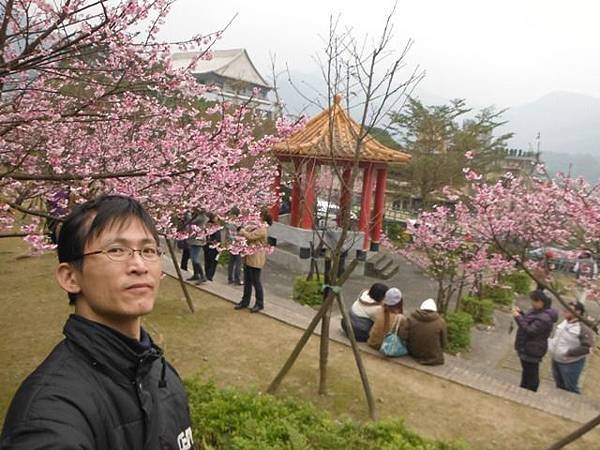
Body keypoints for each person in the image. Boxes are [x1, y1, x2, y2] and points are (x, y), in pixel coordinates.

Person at [0, 195, 194, 449]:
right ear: (70, 277)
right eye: (116, 250)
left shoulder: (161, 373)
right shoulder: (49, 415)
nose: (138, 265)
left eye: (148, 251)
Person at [513, 289, 558, 392]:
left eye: (533, 301)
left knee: (531, 372)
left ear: (540, 302)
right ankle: (523, 390)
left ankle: (531, 393)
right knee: (526, 371)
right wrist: (521, 314)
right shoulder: (537, 311)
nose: (531, 303)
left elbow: (531, 330)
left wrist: (518, 318)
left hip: (533, 348)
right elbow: (529, 321)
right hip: (526, 346)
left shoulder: (545, 318)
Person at [548, 301, 594, 394]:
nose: (565, 311)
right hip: (556, 360)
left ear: (578, 312)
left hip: (571, 363)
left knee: (571, 388)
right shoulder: (564, 322)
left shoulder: (583, 328)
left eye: (569, 309)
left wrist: (568, 353)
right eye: (565, 308)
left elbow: (586, 347)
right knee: (559, 386)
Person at [234, 210, 272, 313]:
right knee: (247, 281)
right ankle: (245, 301)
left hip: (256, 258)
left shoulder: (262, 229)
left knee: (256, 281)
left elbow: (250, 236)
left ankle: (259, 303)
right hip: (248, 256)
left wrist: (242, 230)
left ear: (263, 217)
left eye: (259, 215)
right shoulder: (254, 226)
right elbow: (247, 231)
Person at [404, 298, 447, 366]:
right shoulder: (441, 322)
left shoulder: (411, 318)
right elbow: (443, 342)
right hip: (433, 356)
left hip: (413, 352)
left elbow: (403, 336)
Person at [186, 210, 207, 284]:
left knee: (195, 259)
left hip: (197, 241)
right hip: (194, 239)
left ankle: (202, 276)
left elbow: (191, 221)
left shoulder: (202, 217)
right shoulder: (200, 216)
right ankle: (196, 274)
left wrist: (188, 213)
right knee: (193, 258)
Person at [225, 208, 243, 285]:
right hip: (238, 244)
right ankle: (237, 279)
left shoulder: (229, 223)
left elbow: (227, 235)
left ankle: (230, 278)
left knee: (231, 262)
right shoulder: (240, 223)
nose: (230, 216)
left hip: (231, 244)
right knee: (238, 263)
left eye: (231, 214)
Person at [203, 212, 221, 282]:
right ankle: (209, 276)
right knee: (211, 261)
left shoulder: (216, 226)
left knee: (209, 261)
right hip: (211, 245)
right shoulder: (211, 225)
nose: (217, 218)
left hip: (211, 245)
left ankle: (208, 275)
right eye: (216, 217)